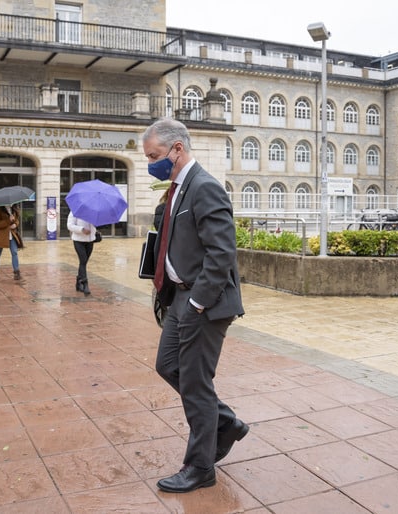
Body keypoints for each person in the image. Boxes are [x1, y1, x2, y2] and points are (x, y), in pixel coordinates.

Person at [142, 118, 247, 494]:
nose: (151, 163)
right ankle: (225, 423)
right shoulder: (175, 190)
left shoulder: (205, 187)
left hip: (204, 300)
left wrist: (198, 303)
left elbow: (222, 254)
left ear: (177, 149)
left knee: (195, 384)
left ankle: (200, 466)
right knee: (167, 365)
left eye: (154, 156)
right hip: (180, 295)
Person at [67, 212, 97, 295]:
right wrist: (82, 229)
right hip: (78, 240)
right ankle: (85, 283)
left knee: (84, 262)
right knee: (83, 260)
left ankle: (79, 281)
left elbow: (94, 226)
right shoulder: (75, 211)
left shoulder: (93, 212)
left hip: (90, 240)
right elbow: (69, 225)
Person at [0, 204, 22, 280]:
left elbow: (17, 220)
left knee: (14, 252)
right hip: (1, 235)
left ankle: (17, 272)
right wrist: (8, 220)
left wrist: (15, 224)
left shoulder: (13, 208)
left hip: (12, 234)